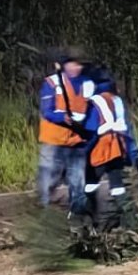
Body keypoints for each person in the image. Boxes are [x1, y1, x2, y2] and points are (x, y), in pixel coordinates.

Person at [78, 65, 138, 229]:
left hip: (100, 150)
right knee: (117, 186)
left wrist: (83, 152)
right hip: (117, 148)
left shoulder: (93, 103)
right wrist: (132, 155)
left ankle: (91, 224)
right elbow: (126, 128)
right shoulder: (114, 101)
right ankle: (130, 224)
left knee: (90, 185)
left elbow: (91, 131)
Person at [37, 51, 95, 214]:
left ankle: (77, 215)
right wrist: (62, 117)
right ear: (64, 65)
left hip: (77, 140)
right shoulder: (52, 82)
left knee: (78, 181)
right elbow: (46, 111)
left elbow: (91, 111)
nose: (75, 67)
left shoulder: (88, 84)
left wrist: (89, 132)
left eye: (78, 64)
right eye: (72, 63)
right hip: (54, 141)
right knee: (50, 180)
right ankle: (45, 212)